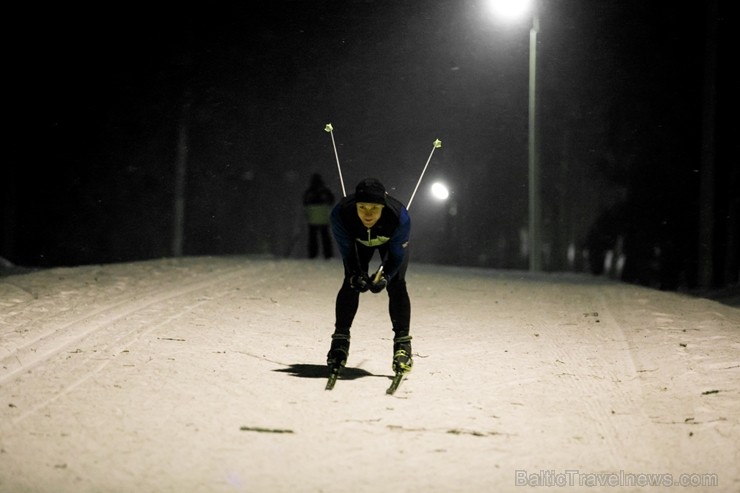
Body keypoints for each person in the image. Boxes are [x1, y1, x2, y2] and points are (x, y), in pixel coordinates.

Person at [327, 177, 413, 374]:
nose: (368, 214)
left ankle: (402, 345)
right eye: (363, 207)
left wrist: (386, 277)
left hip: (389, 243)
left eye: (374, 208)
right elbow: (348, 253)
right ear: (355, 205)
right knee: (350, 283)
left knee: (397, 284)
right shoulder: (341, 214)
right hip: (358, 243)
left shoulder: (399, 217)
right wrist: (356, 275)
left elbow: (396, 257)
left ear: (383, 206)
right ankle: (340, 340)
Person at [302, 173, 335, 259]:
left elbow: (305, 202)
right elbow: (331, 200)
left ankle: (313, 254)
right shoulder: (325, 191)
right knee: (325, 236)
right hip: (323, 216)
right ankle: (328, 254)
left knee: (312, 237)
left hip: (312, 217)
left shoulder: (310, 191)